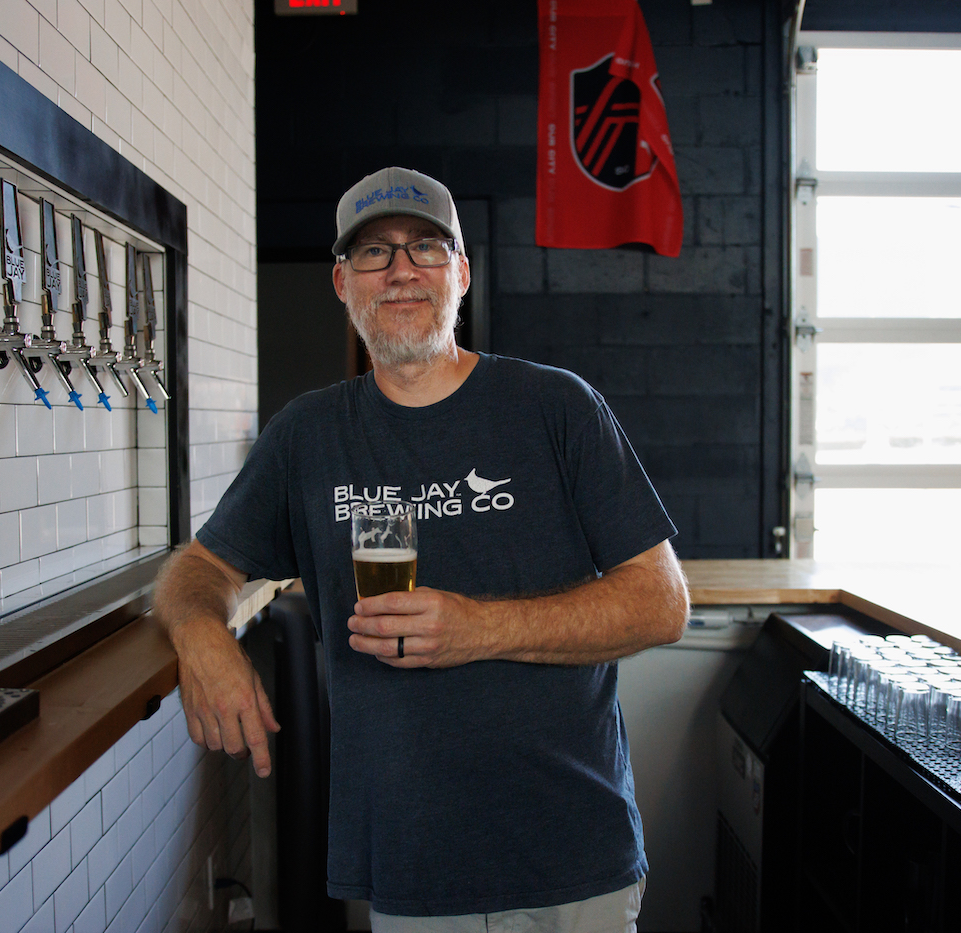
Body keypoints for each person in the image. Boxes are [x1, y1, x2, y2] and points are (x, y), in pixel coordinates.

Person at [154, 166, 690, 932]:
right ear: (342, 283)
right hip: (413, 861)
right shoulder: (308, 435)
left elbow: (662, 602)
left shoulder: (555, 407)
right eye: (374, 253)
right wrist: (200, 632)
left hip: (572, 850)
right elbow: (199, 568)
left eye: (427, 248)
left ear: (462, 274)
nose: (401, 269)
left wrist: (478, 628)